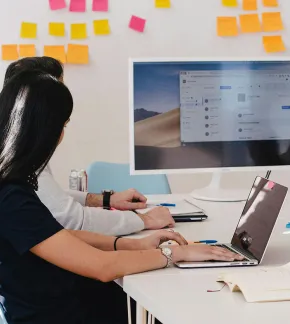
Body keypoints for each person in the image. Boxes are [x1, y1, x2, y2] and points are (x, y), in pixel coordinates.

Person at [0, 70, 245, 324]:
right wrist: (172, 255)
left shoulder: (12, 183)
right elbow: (100, 267)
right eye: (62, 124)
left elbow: (60, 236)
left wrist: (130, 244)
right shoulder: (12, 197)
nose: (63, 134)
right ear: (45, 130)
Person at [3, 57, 174, 236]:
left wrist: (105, 200)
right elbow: (73, 219)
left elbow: (49, 198)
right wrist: (145, 220)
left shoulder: (18, 147)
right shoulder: (16, 161)